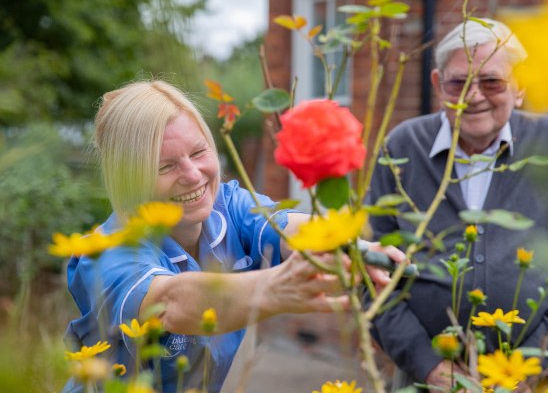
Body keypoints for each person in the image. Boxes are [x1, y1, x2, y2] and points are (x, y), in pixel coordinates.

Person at [63, 80, 405, 392]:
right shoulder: (106, 252)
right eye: (165, 167)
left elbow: (285, 224)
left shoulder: (227, 206)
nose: (194, 175)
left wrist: (349, 245)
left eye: (199, 153)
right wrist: (273, 288)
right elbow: (170, 303)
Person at [367, 18, 548, 390]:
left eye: (492, 81)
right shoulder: (401, 148)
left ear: (519, 87)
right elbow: (371, 273)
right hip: (424, 382)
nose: (473, 95)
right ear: (439, 85)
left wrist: (530, 366)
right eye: (459, 81)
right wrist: (427, 365)